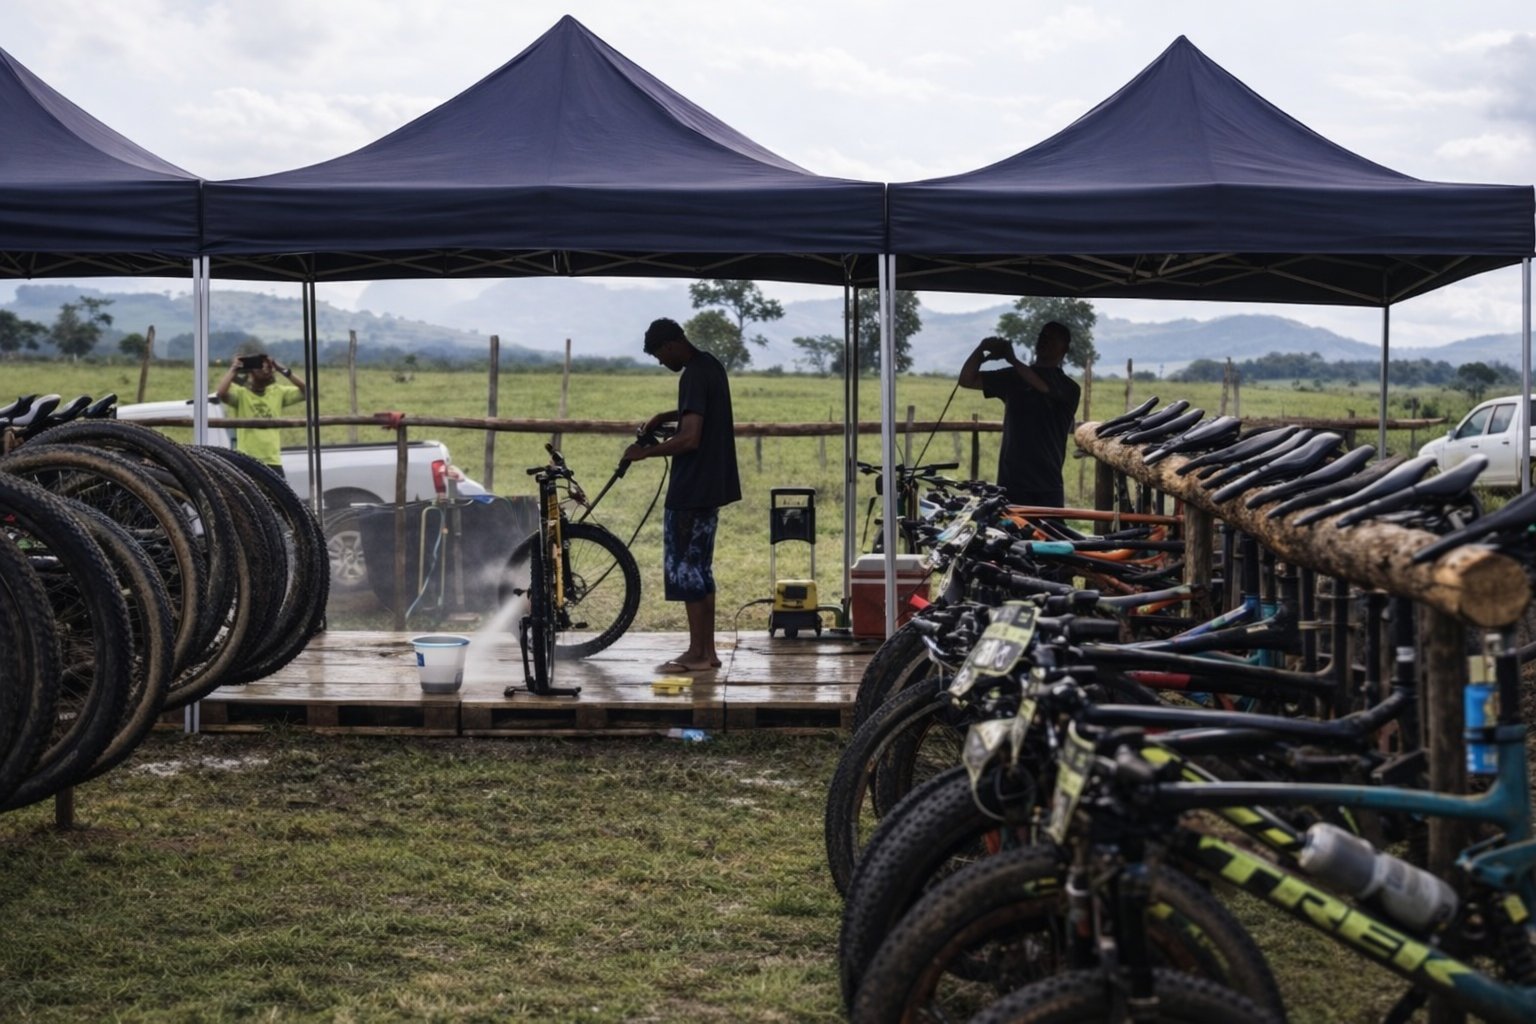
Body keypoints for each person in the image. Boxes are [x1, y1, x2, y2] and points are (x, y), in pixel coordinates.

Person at [623, 318, 742, 673]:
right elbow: (702, 410)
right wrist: (665, 415)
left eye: (660, 355)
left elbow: (690, 438)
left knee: (687, 570)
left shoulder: (691, 374)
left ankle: (696, 654)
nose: (662, 362)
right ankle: (708, 652)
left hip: (691, 488)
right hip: (710, 486)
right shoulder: (710, 366)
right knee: (701, 569)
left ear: (671, 344)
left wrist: (644, 453)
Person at [957, 321, 1082, 507]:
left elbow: (1043, 387)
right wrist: (981, 350)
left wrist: (1012, 360)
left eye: (1052, 338)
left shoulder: (1069, 387)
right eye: (1042, 336)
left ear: (1065, 349)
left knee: (1049, 527)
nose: (1044, 340)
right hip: (1011, 483)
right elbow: (966, 380)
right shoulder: (1014, 377)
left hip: (1047, 484)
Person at [215, 348, 307, 476]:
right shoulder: (241, 394)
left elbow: (308, 391)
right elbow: (221, 393)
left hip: (272, 459)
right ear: (251, 372)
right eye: (260, 367)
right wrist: (234, 369)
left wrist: (283, 370)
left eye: (268, 367)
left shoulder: (278, 392)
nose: (265, 370)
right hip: (247, 458)